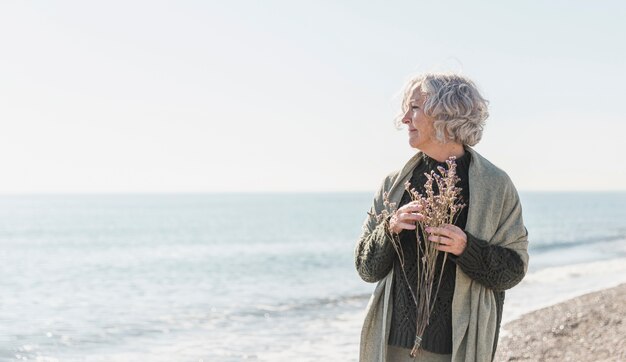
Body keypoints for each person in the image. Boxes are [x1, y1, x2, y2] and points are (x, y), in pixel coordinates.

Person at [355, 73, 529, 362]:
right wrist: (389, 229)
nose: (404, 119)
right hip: (392, 347)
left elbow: (513, 269)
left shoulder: (495, 186)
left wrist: (467, 249)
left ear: (444, 114)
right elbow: (365, 268)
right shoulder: (394, 185)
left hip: (458, 349)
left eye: (414, 108)